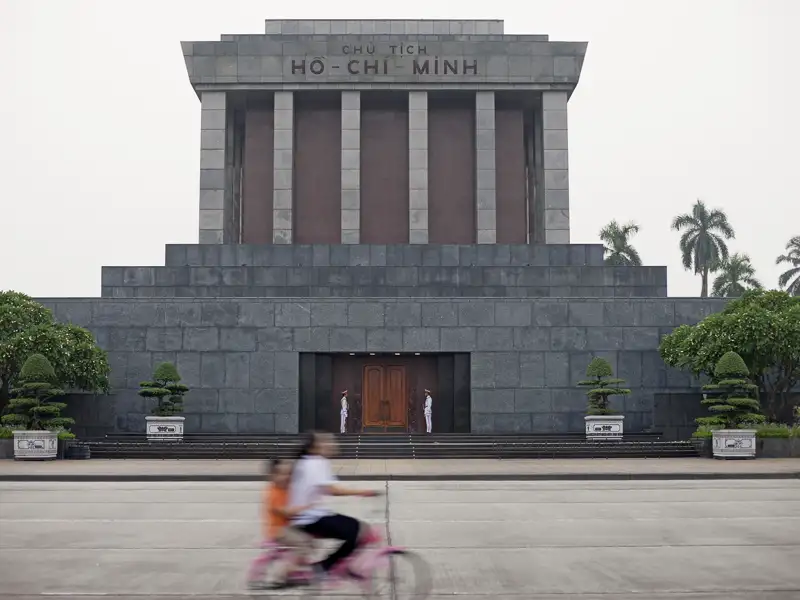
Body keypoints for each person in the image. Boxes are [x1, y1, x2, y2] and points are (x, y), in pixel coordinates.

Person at [289, 431, 379, 579]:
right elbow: (332, 490)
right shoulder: (316, 462)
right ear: (314, 448)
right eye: (325, 442)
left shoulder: (305, 461)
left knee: (356, 529)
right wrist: (362, 492)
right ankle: (326, 566)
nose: (332, 444)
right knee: (361, 531)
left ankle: (341, 565)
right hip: (311, 518)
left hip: (305, 516)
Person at [248, 458, 313, 589]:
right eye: (281, 474)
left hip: (288, 527)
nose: (286, 477)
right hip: (278, 530)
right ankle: (281, 575)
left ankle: (298, 567)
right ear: (272, 476)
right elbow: (285, 512)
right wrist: (304, 509)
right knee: (303, 542)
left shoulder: (287, 488)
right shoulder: (273, 493)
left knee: (313, 539)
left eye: (288, 473)